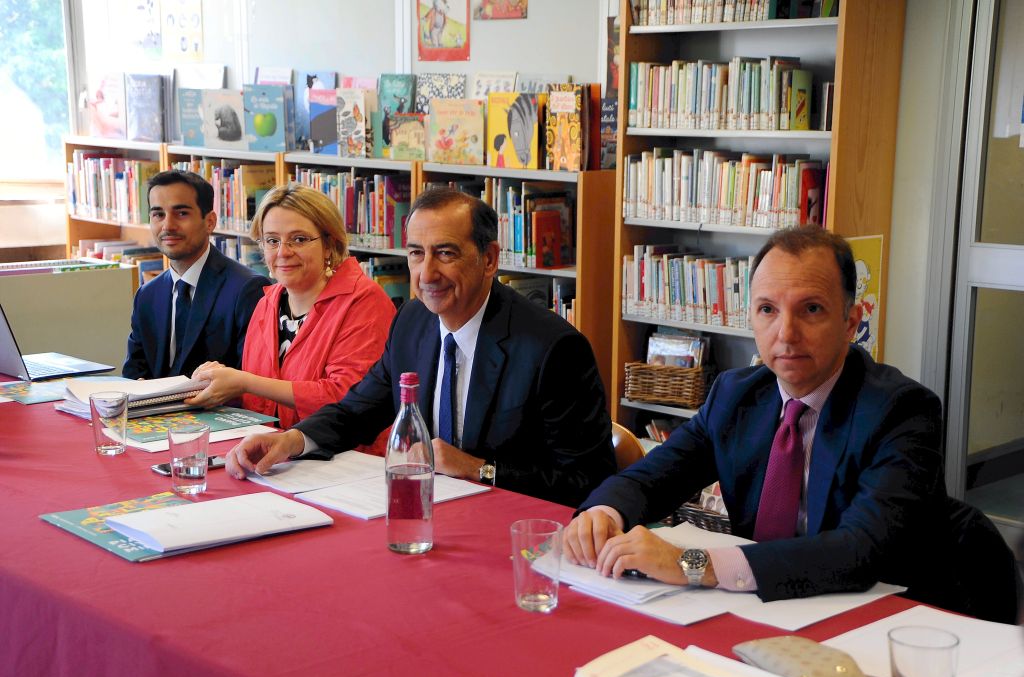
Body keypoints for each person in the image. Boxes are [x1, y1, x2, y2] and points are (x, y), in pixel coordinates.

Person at [565, 225, 960, 611]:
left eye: (811, 309)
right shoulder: (735, 395)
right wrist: (603, 514)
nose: (786, 333)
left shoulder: (902, 410)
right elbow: (653, 478)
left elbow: (861, 550)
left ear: (850, 323)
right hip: (762, 607)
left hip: (882, 615)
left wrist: (692, 565)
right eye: (768, 309)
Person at [223, 187, 616, 507]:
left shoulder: (553, 349)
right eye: (416, 253)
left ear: (489, 259)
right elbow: (356, 411)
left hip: (511, 526)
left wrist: (480, 469)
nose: (427, 273)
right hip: (429, 511)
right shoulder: (413, 320)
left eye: (445, 253)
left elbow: (589, 481)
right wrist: (292, 441)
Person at [184, 184, 395, 433]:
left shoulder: (365, 302)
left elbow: (348, 399)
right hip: (272, 446)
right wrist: (217, 386)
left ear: (329, 244)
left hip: (345, 452)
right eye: (272, 240)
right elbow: (262, 400)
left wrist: (244, 382)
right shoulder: (267, 302)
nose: (283, 252)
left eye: (299, 239)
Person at [123, 170, 269, 379]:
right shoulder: (147, 295)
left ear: (209, 222)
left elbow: (250, 380)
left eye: (182, 213)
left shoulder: (246, 289)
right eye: (158, 215)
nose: (168, 226)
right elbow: (133, 375)